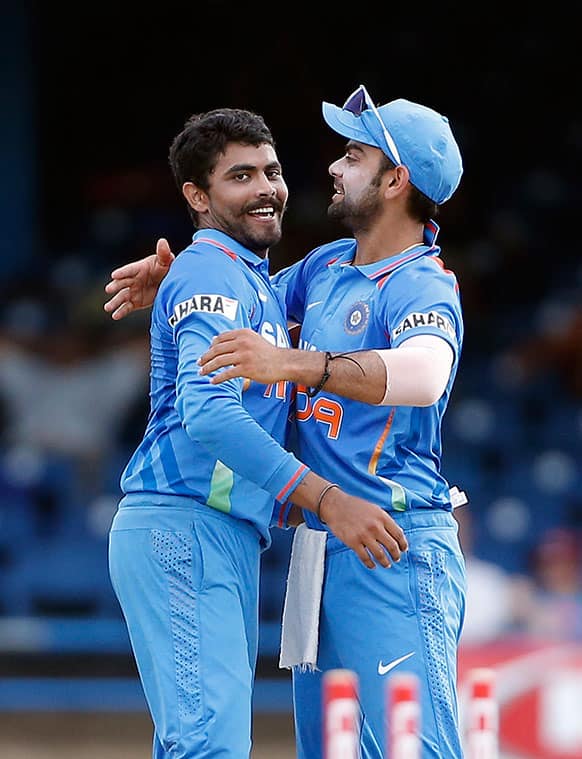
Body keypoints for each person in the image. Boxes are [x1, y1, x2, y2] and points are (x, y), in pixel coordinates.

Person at [104, 87, 466, 758]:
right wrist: (181, 276)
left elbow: (426, 375)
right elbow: (241, 295)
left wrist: (298, 364)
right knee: (315, 748)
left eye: (353, 155)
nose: (331, 166)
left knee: (415, 751)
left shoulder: (423, 280)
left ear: (395, 180)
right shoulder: (325, 266)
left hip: (389, 534)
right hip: (316, 546)